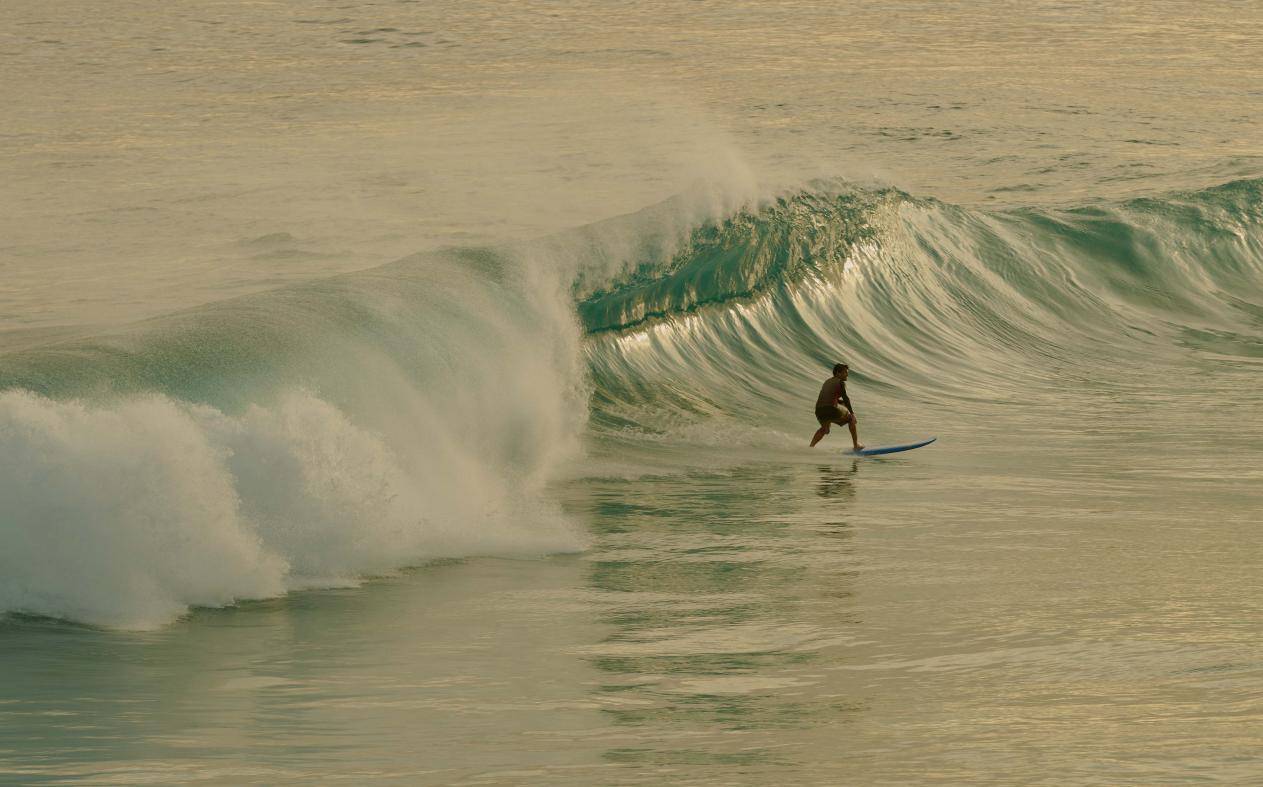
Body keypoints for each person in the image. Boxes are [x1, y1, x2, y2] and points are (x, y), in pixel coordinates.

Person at [810, 363, 863, 450]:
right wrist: (852, 413)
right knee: (850, 419)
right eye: (845, 372)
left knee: (825, 429)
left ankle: (811, 447)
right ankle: (856, 445)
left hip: (819, 411)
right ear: (838, 373)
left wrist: (840, 402)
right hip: (831, 409)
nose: (847, 374)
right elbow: (846, 398)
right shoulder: (840, 382)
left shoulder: (827, 381)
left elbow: (827, 396)